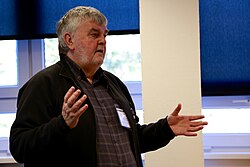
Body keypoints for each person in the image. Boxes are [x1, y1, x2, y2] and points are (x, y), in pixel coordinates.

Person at [9, 6, 208, 167]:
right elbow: (20, 147)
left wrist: (166, 128)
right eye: (94, 34)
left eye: (105, 35)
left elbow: (131, 139)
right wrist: (62, 124)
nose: (103, 41)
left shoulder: (114, 85)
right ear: (69, 40)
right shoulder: (43, 84)